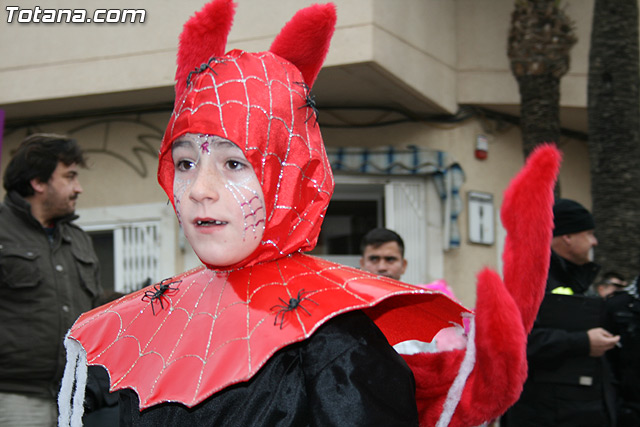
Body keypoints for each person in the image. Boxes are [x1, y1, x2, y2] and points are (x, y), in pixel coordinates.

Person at [57, 2, 562, 427]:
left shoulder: (335, 345)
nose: (199, 191)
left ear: (289, 176)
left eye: (234, 163)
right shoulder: (137, 331)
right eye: (185, 163)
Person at [0, 134, 102, 427]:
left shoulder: (79, 240)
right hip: (14, 397)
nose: (78, 188)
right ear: (38, 182)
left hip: (75, 398)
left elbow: (96, 313)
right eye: (69, 177)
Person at [502, 198, 620, 427]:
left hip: (579, 411)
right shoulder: (529, 281)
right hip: (544, 414)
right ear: (567, 237)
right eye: (589, 234)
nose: (594, 242)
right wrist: (583, 342)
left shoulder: (578, 279)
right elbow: (517, 341)